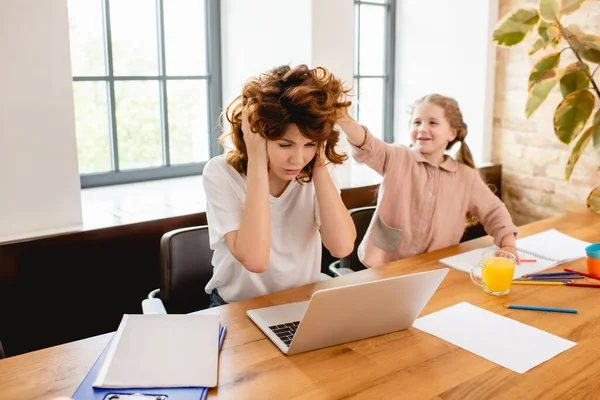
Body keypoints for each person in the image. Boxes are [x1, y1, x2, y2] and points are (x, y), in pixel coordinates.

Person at [203, 64, 356, 307]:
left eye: (309, 144)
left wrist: (318, 163)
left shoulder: (315, 170)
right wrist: (256, 162)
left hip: (300, 303)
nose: (298, 159)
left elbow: (341, 247)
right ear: (257, 135)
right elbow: (255, 260)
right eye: (285, 145)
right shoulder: (221, 173)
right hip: (236, 307)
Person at [336, 93, 519, 269]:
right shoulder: (397, 157)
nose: (422, 128)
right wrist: (345, 120)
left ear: (452, 133)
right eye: (417, 122)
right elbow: (368, 145)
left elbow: (494, 211)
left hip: (436, 269)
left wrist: (508, 245)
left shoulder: (466, 177)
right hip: (385, 267)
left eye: (433, 122)